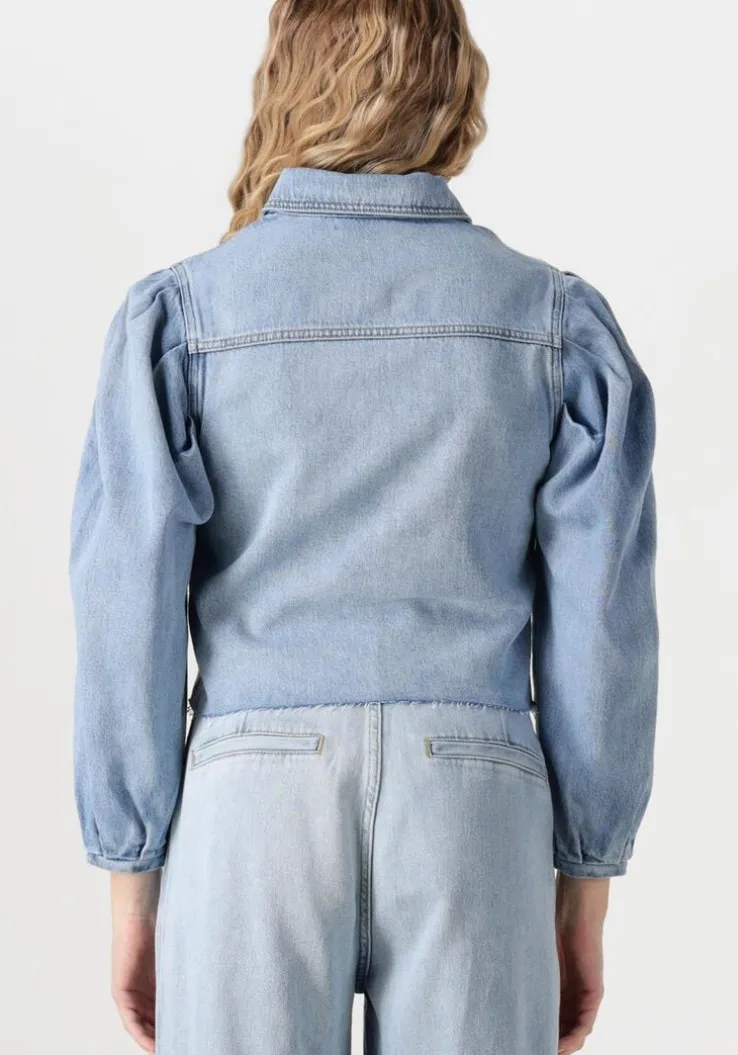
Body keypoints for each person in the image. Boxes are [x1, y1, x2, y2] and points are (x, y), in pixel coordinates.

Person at [68, 1, 659, 1053]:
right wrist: (586, 881)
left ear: (287, 81)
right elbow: (603, 619)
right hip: (474, 800)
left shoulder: (185, 319)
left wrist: (133, 878)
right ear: (455, 88)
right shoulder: (551, 322)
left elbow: (126, 608)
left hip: (252, 802)